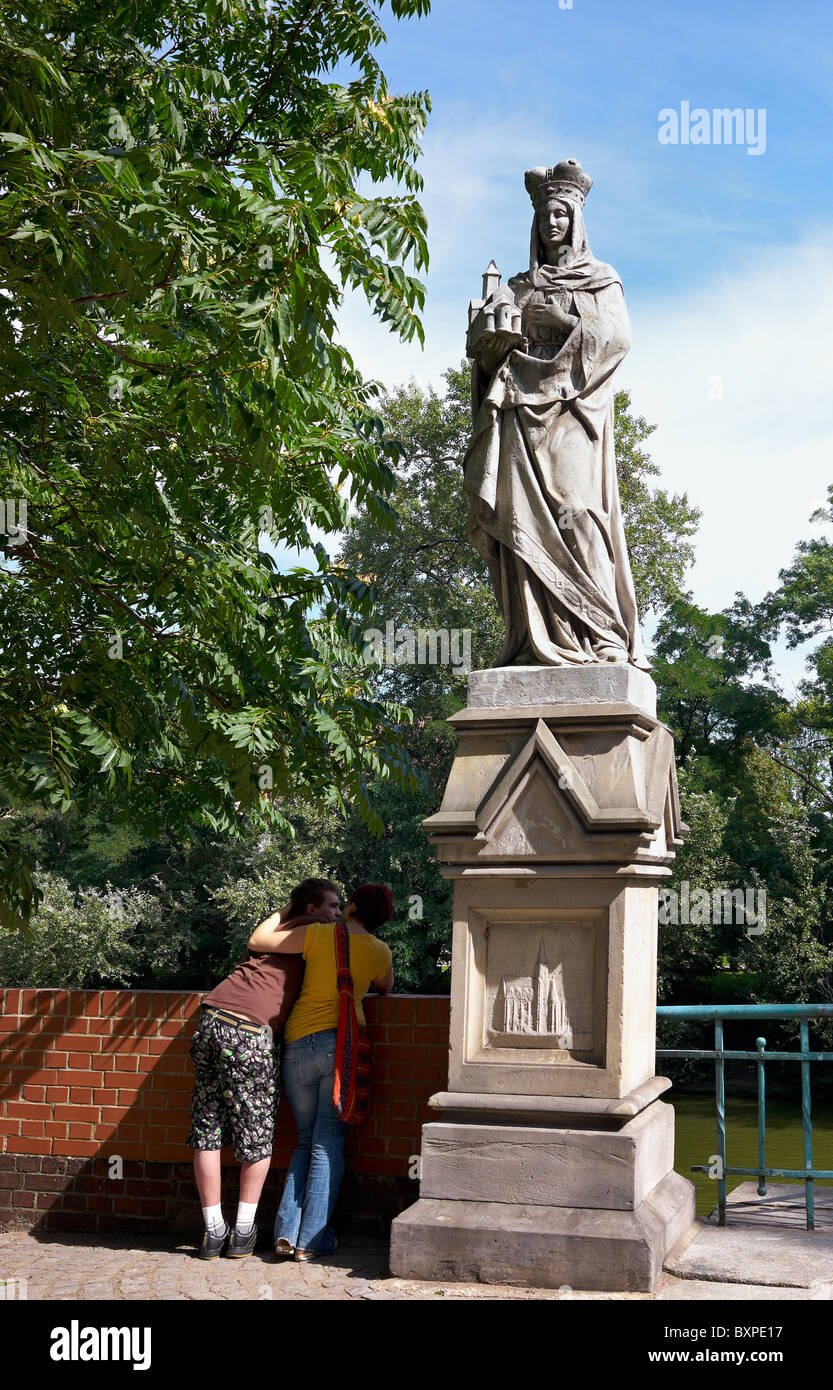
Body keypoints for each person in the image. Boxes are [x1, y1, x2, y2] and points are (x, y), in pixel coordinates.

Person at [465, 157, 649, 669]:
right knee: (520, 519)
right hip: (521, 416)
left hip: (573, 413)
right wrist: (492, 342)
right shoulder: (516, 287)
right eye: (545, 215)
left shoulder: (601, 279)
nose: (552, 224)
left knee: (578, 509)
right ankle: (534, 639)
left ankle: (603, 631)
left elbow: (616, 340)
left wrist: (563, 318)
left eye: (561, 214)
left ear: (576, 220)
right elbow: (483, 353)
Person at [186, 877, 341, 1259]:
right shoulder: (315, 933)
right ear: (313, 910)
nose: (337, 913)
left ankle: (211, 1232)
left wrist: (286, 908)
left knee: (208, 1130)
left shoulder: (279, 929)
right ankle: (241, 1234)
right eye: (333, 906)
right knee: (255, 1136)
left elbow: (258, 940)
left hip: (210, 1018)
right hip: (249, 1032)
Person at [247, 883, 394, 1261]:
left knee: (305, 1139)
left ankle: (285, 1234)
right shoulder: (380, 951)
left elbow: (260, 941)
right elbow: (385, 987)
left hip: (297, 1044)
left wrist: (286, 908)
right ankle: (309, 1242)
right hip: (341, 1049)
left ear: (353, 905)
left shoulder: (319, 934)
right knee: (328, 1143)